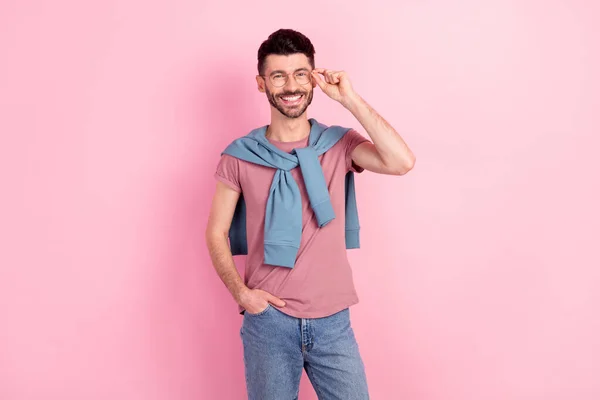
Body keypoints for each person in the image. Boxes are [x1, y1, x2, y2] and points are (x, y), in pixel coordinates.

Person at [205, 28, 415, 400]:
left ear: (313, 78)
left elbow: (401, 162)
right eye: (278, 75)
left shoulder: (338, 144)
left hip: (334, 322)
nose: (291, 85)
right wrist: (242, 293)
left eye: (301, 73)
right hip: (269, 323)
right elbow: (215, 232)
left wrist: (349, 99)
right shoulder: (239, 155)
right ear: (261, 83)